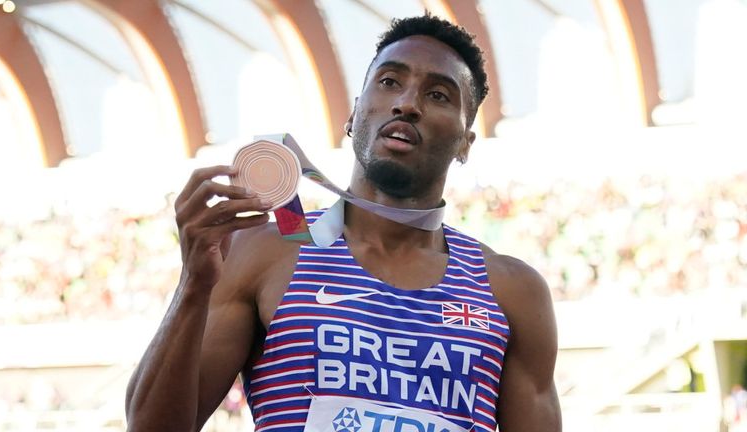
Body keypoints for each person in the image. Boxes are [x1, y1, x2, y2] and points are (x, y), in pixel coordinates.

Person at [125, 14, 561, 432]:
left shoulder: (511, 291)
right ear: (353, 115)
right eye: (389, 81)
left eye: (438, 95)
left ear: (465, 142)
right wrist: (192, 287)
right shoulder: (265, 251)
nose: (407, 103)